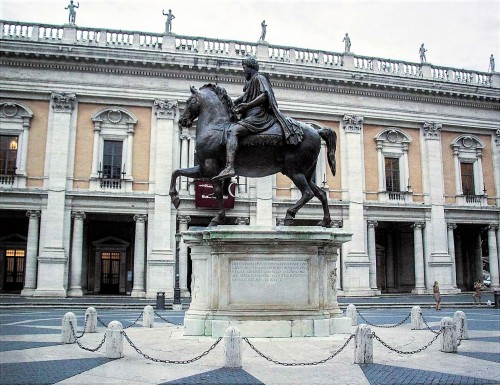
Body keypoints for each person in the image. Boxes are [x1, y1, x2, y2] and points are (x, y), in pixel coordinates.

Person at [213, 55, 303, 181]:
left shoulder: (260, 78)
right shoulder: (250, 83)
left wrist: (246, 106)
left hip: (259, 116)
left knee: (233, 131)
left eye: (244, 67)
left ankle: (230, 166)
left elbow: (265, 96)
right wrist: (232, 104)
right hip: (251, 115)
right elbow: (244, 98)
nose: (243, 70)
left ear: (251, 67)